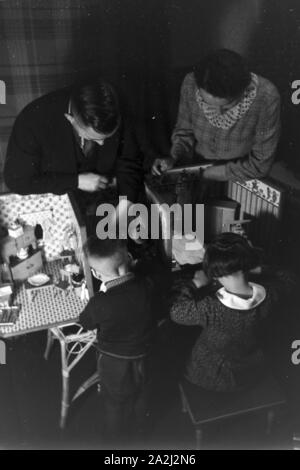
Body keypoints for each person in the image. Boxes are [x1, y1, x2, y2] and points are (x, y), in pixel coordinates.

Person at [170, 233, 293, 392]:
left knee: (176, 342)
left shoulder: (211, 308)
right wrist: (260, 269)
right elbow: (290, 278)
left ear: (214, 274)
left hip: (210, 377)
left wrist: (194, 284)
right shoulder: (272, 294)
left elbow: (176, 312)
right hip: (251, 371)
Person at [4, 79, 143, 217]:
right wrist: (76, 181)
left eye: (106, 138)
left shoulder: (113, 107)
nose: (101, 144)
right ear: (71, 119)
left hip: (108, 195)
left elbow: (129, 159)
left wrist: (126, 203)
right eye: (93, 138)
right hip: (62, 201)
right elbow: (17, 181)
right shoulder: (32, 121)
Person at [152, 49, 281, 183]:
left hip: (243, 172)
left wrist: (204, 174)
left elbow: (261, 165)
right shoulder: (190, 83)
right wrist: (174, 159)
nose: (218, 113)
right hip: (197, 165)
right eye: (208, 104)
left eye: (228, 105)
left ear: (243, 91)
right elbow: (184, 133)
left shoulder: (267, 96)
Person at [79, 236, 155, 442]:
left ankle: (113, 439)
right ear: (128, 258)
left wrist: (95, 298)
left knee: (114, 402)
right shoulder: (147, 286)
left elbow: (85, 321)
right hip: (144, 355)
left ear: (95, 273)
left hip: (114, 363)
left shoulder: (100, 303)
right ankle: (141, 431)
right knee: (141, 393)